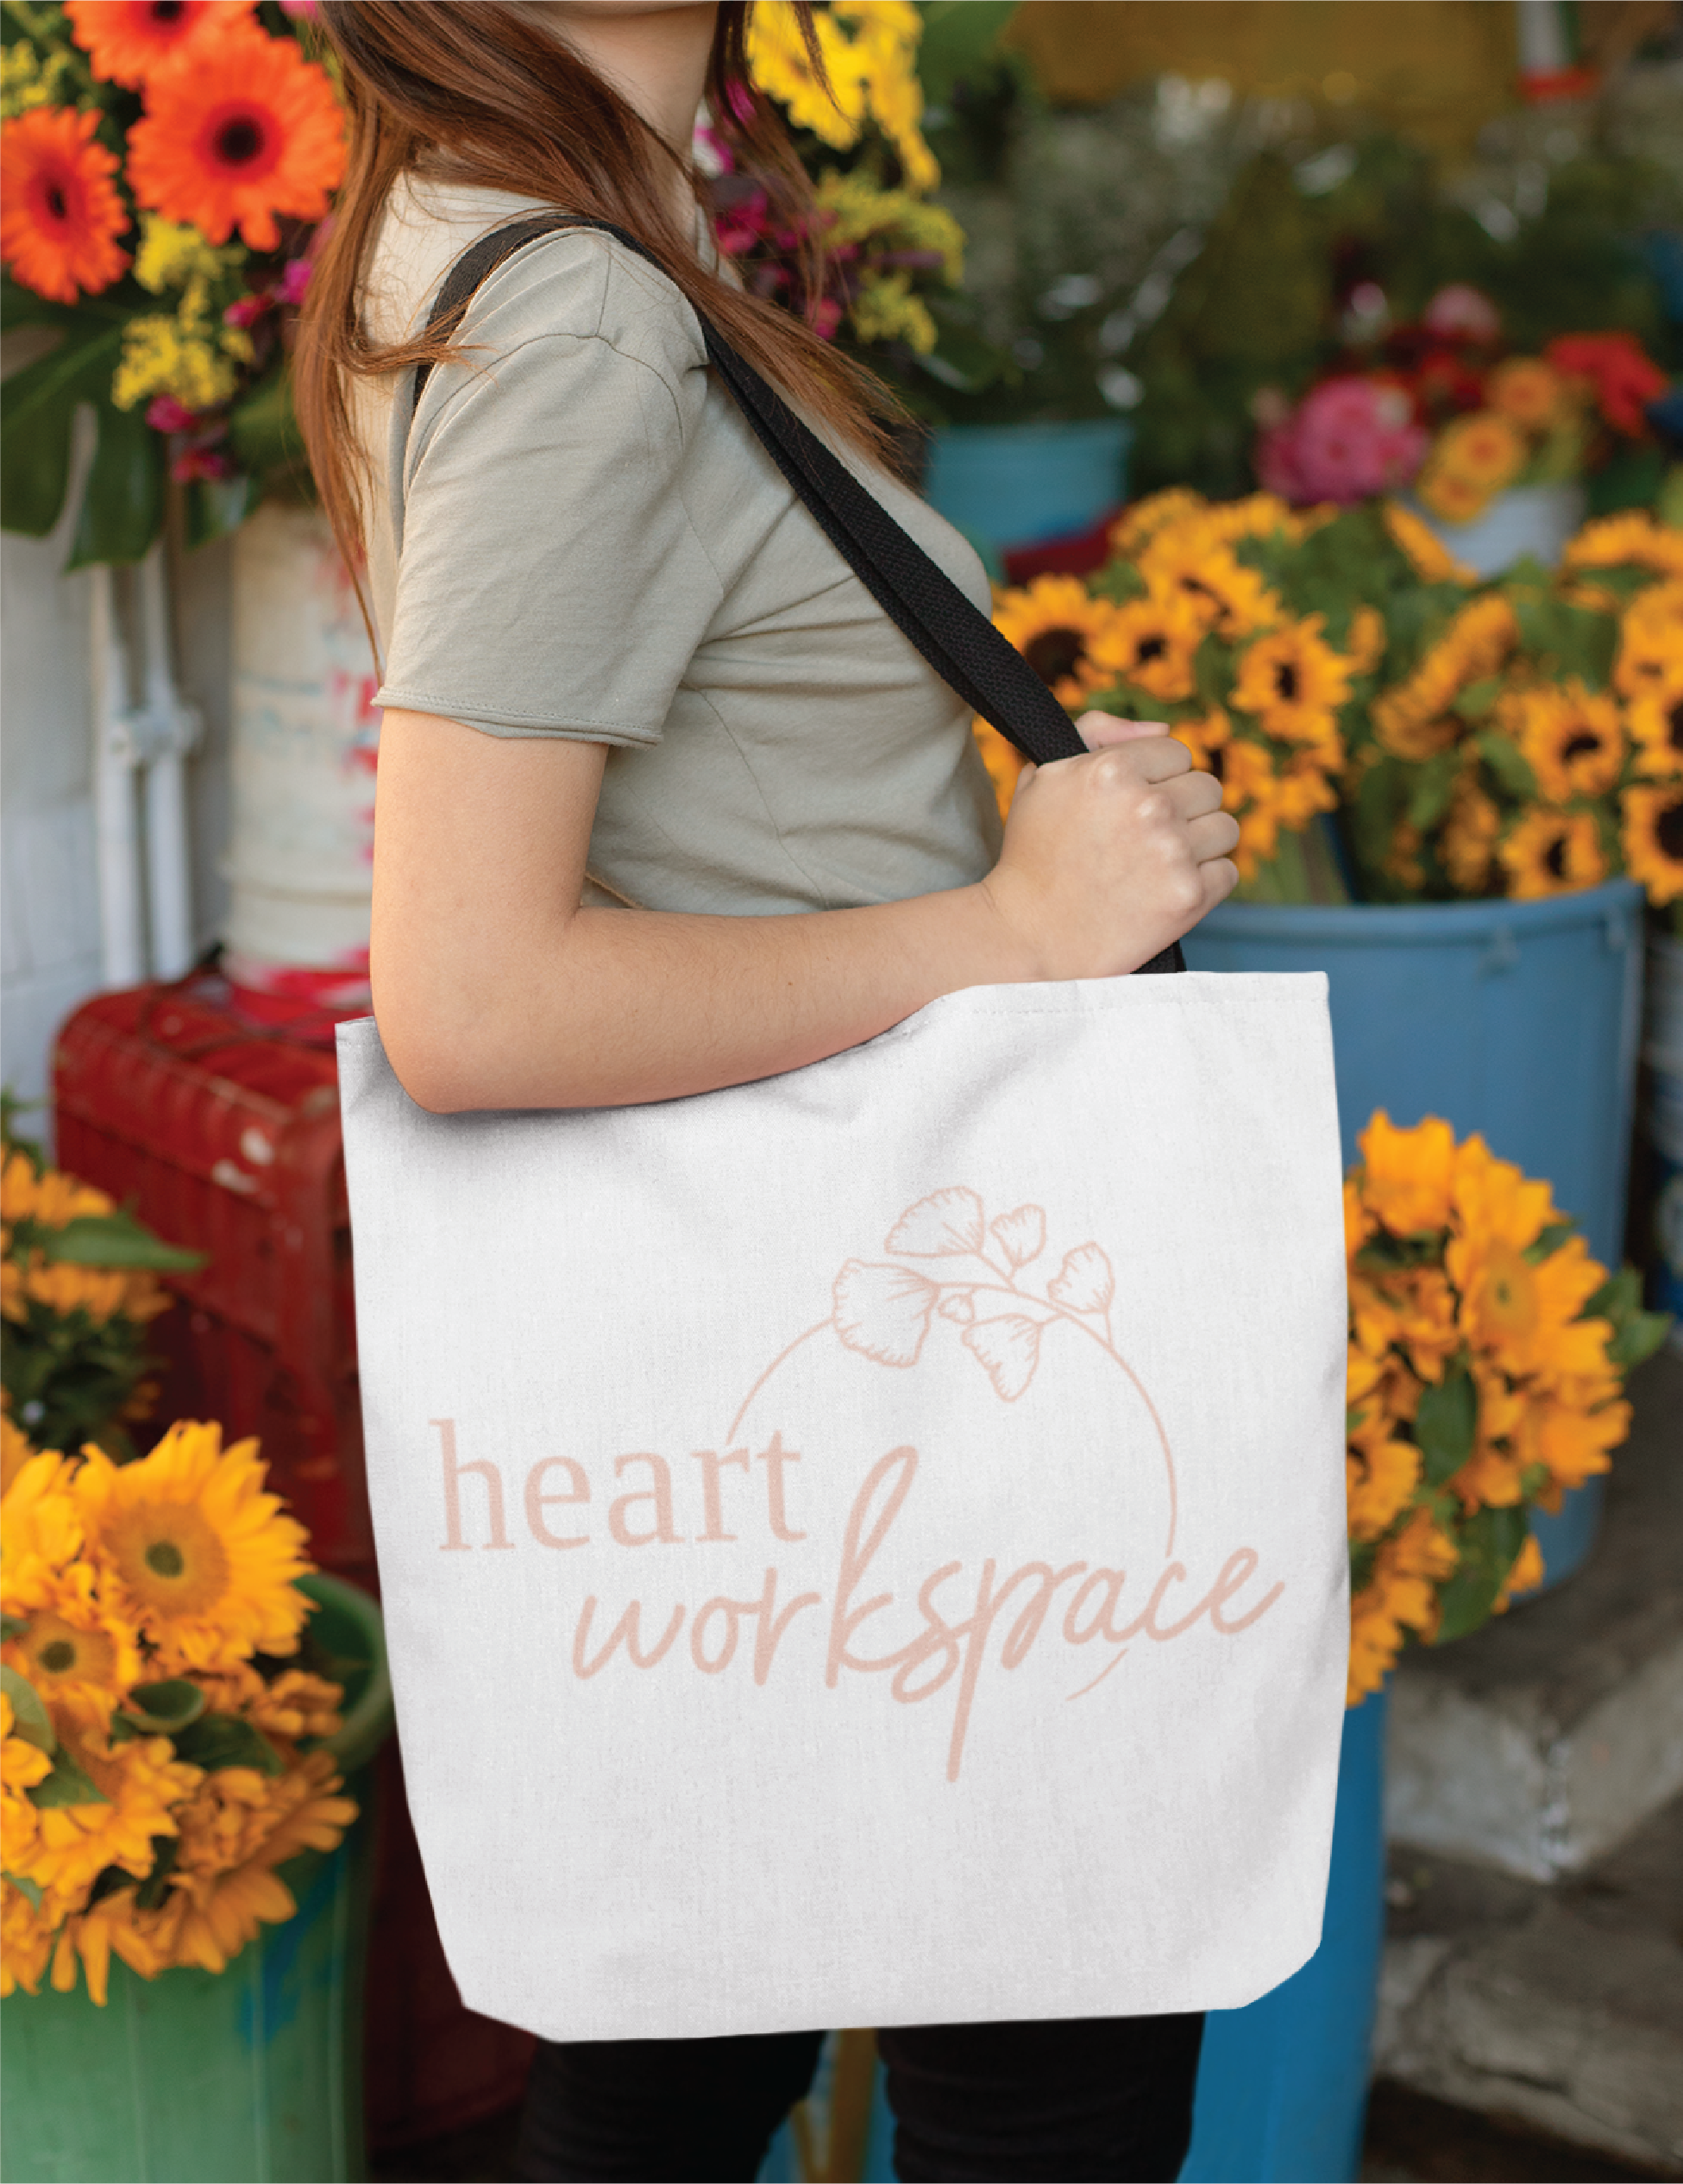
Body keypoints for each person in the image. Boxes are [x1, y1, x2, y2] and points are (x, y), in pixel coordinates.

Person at [297, 0, 1240, 2173]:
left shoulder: (492, 237)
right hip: (895, 1397)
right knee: (1031, 2105)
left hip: (764, 1383)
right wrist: (1015, 927)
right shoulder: (578, 320)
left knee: (681, 2055)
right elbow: (472, 999)